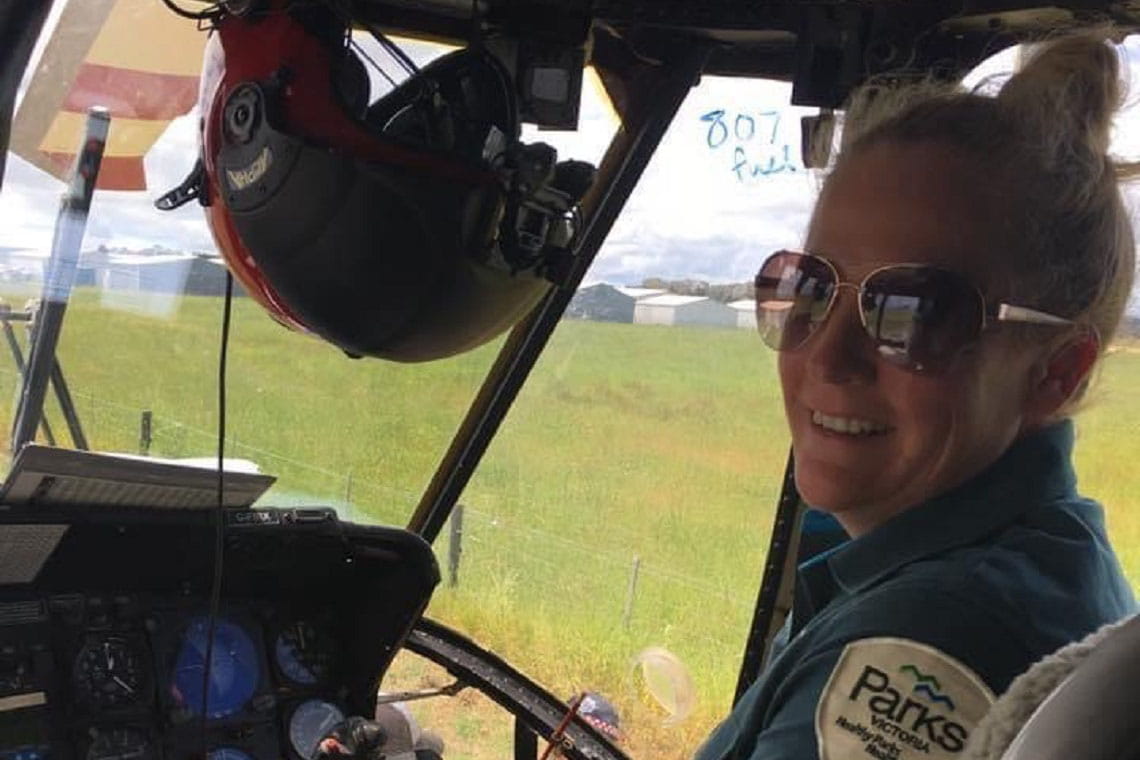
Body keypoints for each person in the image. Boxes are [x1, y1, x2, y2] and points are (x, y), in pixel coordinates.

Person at [695, 34, 1139, 760]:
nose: (825, 356)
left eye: (915, 311)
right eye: (807, 287)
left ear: (1057, 372)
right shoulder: (1037, 562)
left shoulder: (933, 644)